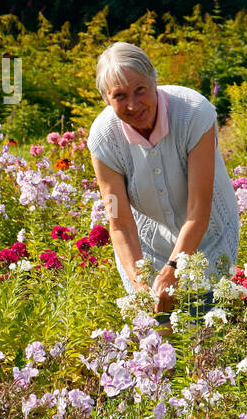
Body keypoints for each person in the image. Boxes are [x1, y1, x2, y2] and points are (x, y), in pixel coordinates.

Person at [86, 42, 239, 319]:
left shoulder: (194, 113)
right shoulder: (103, 139)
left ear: (154, 80)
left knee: (207, 332)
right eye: (120, 95)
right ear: (106, 99)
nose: (133, 105)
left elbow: (198, 210)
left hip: (209, 239)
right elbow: (119, 223)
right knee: (159, 338)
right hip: (147, 249)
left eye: (140, 90)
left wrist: (174, 269)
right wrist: (140, 284)